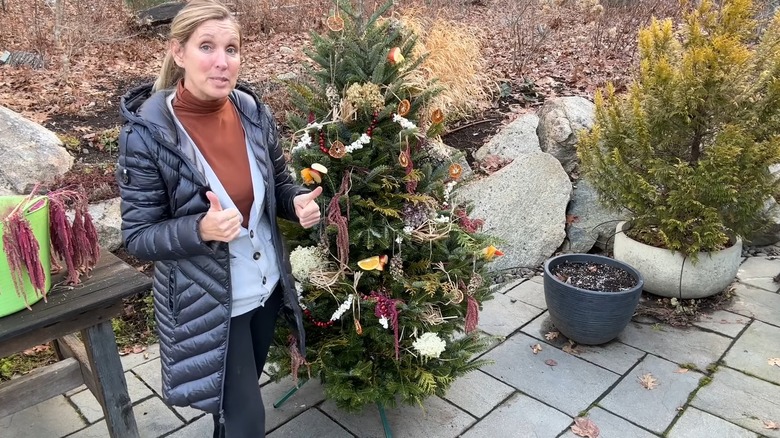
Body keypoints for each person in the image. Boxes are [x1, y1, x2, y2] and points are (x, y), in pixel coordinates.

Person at [116, 1, 319, 436]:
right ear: (178, 52)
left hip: (265, 290)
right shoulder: (148, 135)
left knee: (231, 416)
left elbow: (278, 186)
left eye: (232, 48)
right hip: (208, 305)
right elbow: (137, 236)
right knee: (248, 422)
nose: (222, 62)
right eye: (207, 46)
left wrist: (297, 202)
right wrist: (199, 229)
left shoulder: (250, 111)